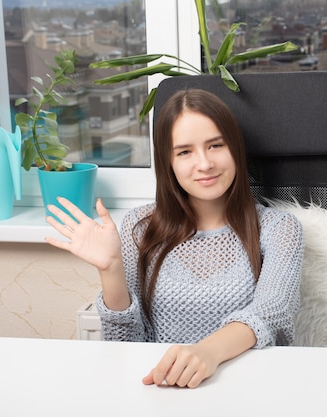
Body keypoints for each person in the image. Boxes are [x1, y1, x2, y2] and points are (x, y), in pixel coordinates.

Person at [45, 89, 305, 388]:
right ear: (168, 162)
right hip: (165, 391)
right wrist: (111, 270)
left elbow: (270, 314)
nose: (204, 163)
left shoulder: (280, 228)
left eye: (216, 145)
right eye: (184, 152)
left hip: (252, 388)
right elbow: (127, 342)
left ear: (236, 149)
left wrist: (206, 352)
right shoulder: (139, 227)